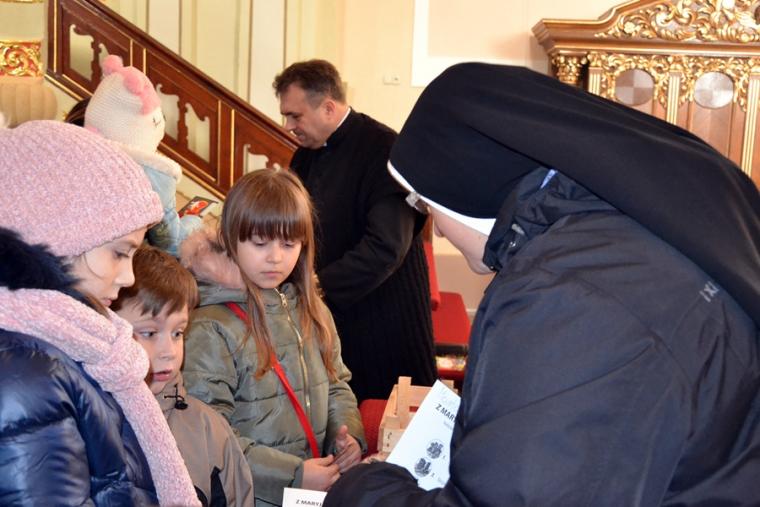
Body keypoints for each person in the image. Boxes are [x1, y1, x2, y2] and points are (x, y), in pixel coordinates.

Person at [324, 63, 760, 505]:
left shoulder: (567, 293)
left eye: (426, 205)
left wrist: (363, 487)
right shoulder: (619, 240)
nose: (434, 228)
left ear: (464, 185)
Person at [0, 120, 199, 506]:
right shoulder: (28, 375)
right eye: (120, 253)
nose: (128, 277)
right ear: (59, 236)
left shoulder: (79, 347)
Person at [180, 169, 366, 507]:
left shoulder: (311, 310)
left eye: (288, 243)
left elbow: (336, 384)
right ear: (231, 238)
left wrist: (348, 435)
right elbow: (208, 436)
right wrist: (293, 475)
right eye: (260, 243)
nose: (275, 257)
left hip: (312, 491)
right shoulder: (210, 325)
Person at [273, 60, 436, 402]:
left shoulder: (383, 148)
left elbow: (386, 246)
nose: (288, 126)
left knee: (385, 413)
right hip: (332, 315)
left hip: (384, 316)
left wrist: (318, 285)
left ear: (328, 107)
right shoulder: (305, 156)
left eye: (295, 116)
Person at [113, 245, 255, 506]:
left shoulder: (208, 430)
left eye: (177, 333)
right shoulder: (89, 421)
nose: (169, 352)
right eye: (149, 333)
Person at [85, 54, 202, 257]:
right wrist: (194, 221)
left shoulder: (80, 157)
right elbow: (171, 244)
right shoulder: (156, 175)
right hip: (137, 263)